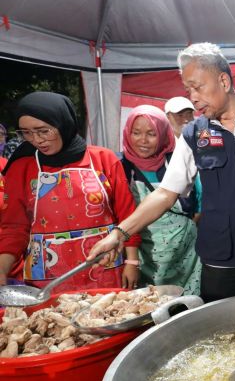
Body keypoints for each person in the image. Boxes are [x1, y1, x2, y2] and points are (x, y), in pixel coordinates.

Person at [89, 43, 235, 302]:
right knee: (217, 327)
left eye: (197, 87)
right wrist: (119, 233)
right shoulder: (195, 134)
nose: (193, 97)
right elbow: (165, 194)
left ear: (223, 81)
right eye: (188, 89)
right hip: (220, 255)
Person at [0, 92, 140, 292]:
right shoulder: (22, 167)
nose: (37, 140)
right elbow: (14, 227)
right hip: (48, 277)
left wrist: (132, 261)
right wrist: (2, 269)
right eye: (27, 133)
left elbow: (127, 215)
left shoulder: (103, 159)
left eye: (43, 131)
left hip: (104, 268)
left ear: (63, 123)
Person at [120, 105, 202, 295]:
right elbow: (121, 212)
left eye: (151, 133)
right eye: (136, 132)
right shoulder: (122, 168)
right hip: (144, 252)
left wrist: (185, 235)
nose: (143, 140)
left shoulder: (178, 162)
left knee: (186, 305)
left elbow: (199, 202)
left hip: (185, 255)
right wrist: (131, 259)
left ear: (163, 134)